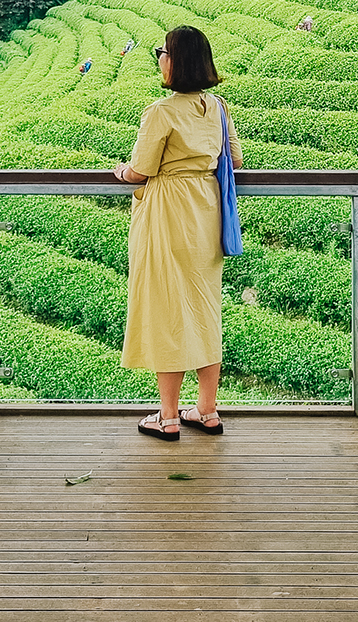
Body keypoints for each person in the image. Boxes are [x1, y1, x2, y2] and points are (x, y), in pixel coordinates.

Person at [113, 26, 243, 440]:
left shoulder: (160, 112)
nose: (158, 58)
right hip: (206, 212)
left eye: (162, 52)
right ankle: (206, 410)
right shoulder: (218, 107)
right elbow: (235, 160)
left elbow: (141, 169)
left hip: (167, 212)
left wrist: (120, 172)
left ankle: (168, 416)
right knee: (205, 310)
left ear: (175, 60)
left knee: (166, 309)